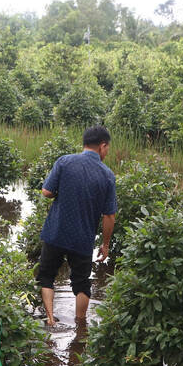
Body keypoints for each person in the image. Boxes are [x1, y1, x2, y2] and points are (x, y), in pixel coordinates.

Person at [38, 125, 116, 326]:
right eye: (107, 148)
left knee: (46, 276)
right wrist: (105, 245)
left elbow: (46, 192)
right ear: (102, 146)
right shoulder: (107, 175)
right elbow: (109, 215)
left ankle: (50, 319)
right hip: (82, 238)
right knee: (82, 283)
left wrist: (60, 193)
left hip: (55, 232)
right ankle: (80, 325)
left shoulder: (64, 161)